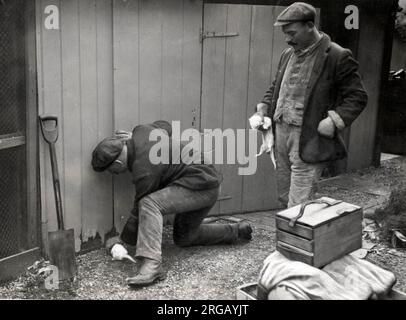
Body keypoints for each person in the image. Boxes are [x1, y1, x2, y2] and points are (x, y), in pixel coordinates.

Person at [91, 120, 252, 286]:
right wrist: (137, 138)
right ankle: (235, 231)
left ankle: (153, 265)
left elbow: (138, 212)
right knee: (184, 237)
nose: (115, 174)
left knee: (148, 203)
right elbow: (165, 126)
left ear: (118, 163)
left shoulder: (143, 170)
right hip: (204, 182)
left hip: (202, 188)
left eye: (112, 171)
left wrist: (122, 241)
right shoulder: (141, 130)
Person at [256, 2, 368, 208]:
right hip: (280, 133)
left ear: (309, 25)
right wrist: (264, 105)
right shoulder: (287, 55)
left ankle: (296, 237)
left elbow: (357, 97)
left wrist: (335, 120)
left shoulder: (337, 55)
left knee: (298, 203)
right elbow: (277, 86)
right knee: (284, 197)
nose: (288, 39)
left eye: (292, 33)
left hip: (309, 137)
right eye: (285, 34)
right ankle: (297, 238)